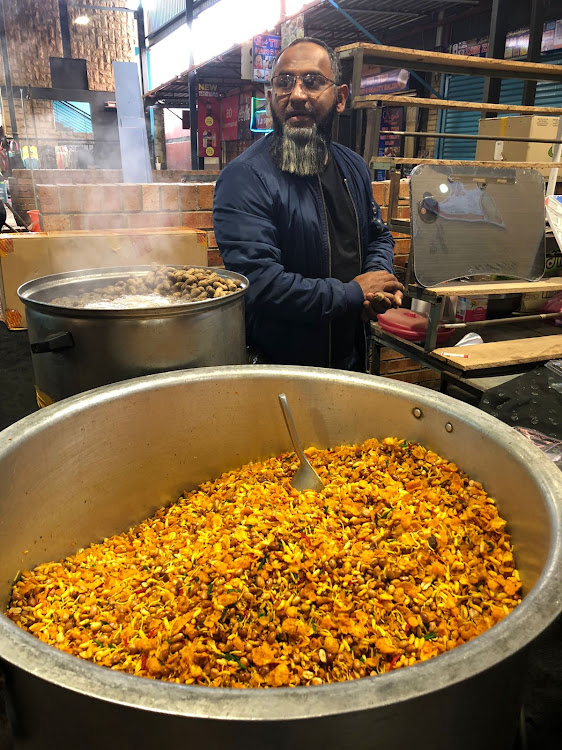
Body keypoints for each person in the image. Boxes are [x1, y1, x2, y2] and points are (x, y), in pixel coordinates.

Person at [213, 37, 403, 370]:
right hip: (279, 370)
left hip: (351, 358)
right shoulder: (245, 178)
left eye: (312, 82)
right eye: (284, 83)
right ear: (271, 98)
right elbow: (260, 284)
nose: (297, 95)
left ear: (340, 97)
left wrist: (377, 279)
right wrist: (354, 295)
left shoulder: (353, 166)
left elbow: (378, 236)